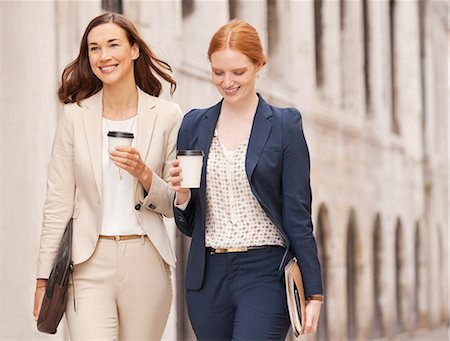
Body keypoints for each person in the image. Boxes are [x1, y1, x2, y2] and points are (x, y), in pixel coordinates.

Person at [170, 19, 323, 340]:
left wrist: (314, 292)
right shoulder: (193, 125)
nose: (227, 82)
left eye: (238, 72)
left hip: (265, 272)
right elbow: (189, 224)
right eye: (218, 72)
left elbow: (298, 214)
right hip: (207, 277)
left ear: (258, 65)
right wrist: (182, 195)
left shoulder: (285, 125)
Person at [33, 12, 182, 340]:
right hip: (87, 265)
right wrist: (43, 278)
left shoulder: (168, 116)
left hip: (147, 261)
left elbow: (177, 205)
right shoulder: (74, 116)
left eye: (113, 45)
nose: (103, 56)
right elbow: (57, 202)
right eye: (94, 48)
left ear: (133, 50)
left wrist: (144, 174)